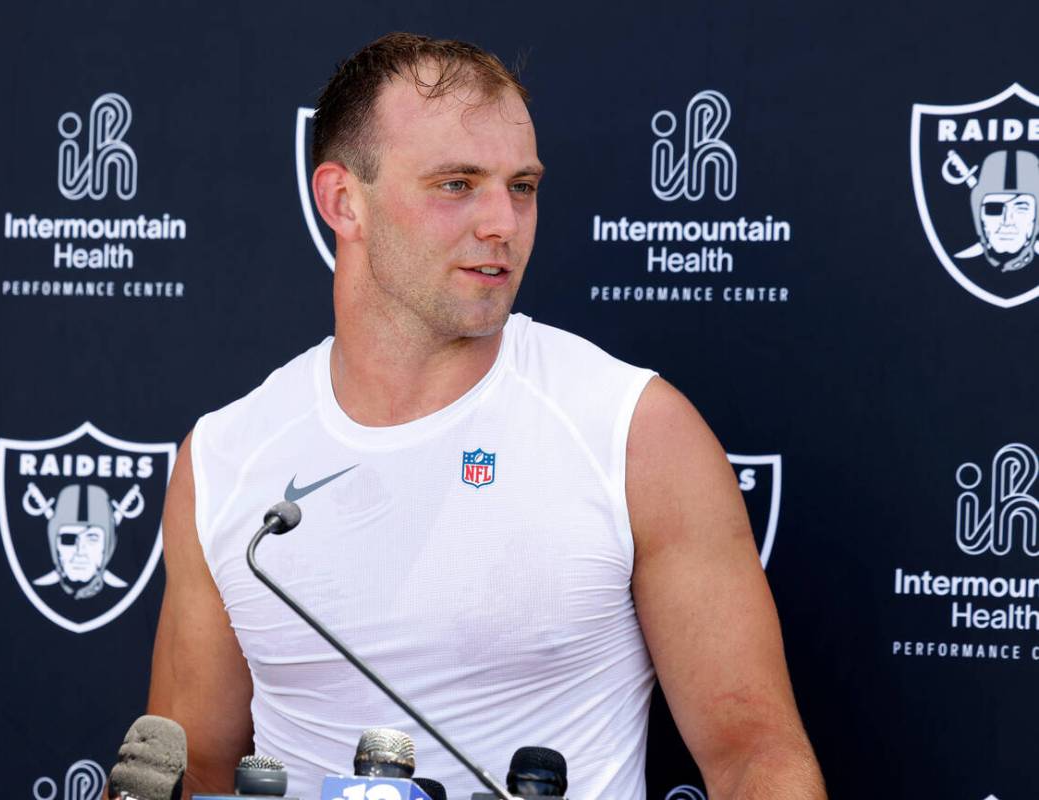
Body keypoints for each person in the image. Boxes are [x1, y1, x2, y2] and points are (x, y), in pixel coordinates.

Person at [147, 32, 826, 799]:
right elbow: (191, 766)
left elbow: (755, 761)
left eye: (523, 187)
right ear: (343, 200)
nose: (502, 222)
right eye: (456, 184)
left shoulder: (634, 431)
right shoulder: (226, 457)